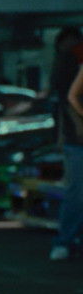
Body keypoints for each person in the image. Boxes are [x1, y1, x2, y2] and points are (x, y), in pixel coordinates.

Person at [49, 27, 83, 260]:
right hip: (76, 139)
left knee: (76, 191)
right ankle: (65, 239)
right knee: (76, 191)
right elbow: (68, 100)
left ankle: (68, 239)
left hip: (74, 138)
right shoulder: (68, 62)